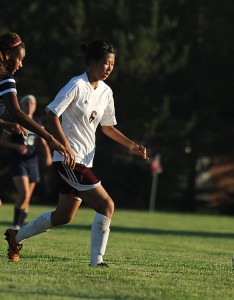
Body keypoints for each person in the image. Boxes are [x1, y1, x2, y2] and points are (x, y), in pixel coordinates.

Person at [4, 39, 148, 266]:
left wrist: (131, 145)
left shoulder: (106, 92)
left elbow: (107, 127)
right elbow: (52, 113)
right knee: (107, 205)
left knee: (63, 216)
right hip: (70, 161)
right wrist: (64, 145)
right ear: (91, 62)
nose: (109, 68)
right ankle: (97, 261)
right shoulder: (76, 85)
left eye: (112, 64)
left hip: (85, 161)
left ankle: (16, 237)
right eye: (105, 63)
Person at [0, 32, 74, 166]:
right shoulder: (5, 78)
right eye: (20, 59)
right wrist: (49, 138)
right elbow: (16, 113)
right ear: (7, 55)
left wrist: (4, 124)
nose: (20, 65)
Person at [0, 95, 52, 229]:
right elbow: (2, 141)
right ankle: (16, 224)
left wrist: (48, 155)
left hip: (32, 162)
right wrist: (16, 146)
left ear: (35, 107)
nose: (29, 106)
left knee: (27, 198)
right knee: (24, 193)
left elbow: (44, 142)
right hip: (18, 162)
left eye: (32, 104)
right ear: (20, 106)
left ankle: (21, 225)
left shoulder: (37, 123)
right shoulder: (14, 122)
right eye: (26, 103)